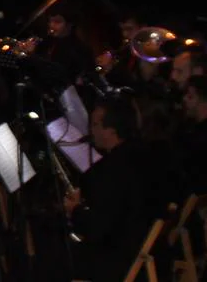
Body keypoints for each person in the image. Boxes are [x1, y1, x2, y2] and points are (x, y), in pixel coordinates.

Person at [64, 98, 154, 282]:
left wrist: (74, 211)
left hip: (120, 260)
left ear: (112, 131)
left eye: (96, 124)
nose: (91, 130)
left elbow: (100, 229)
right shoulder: (145, 154)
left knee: (57, 254)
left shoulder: (115, 169)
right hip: (144, 249)